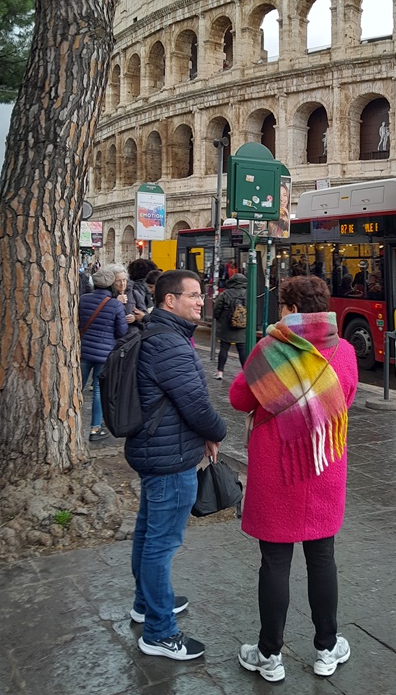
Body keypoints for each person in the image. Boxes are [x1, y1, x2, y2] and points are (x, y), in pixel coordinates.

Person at [230, 275, 359, 682]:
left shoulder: (269, 349)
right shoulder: (344, 350)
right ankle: (326, 648)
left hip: (278, 469)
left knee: (274, 562)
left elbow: (238, 399)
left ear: (291, 309)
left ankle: (269, 654)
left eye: (282, 306)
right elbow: (346, 398)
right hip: (323, 464)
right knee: (322, 558)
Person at [126, 269, 227, 660]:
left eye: (201, 294)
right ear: (170, 300)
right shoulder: (170, 343)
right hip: (169, 457)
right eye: (194, 295)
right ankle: (160, 632)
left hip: (157, 449)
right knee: (161, 544)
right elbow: (196, 404)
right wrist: (217, 432)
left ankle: (147, 603)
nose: (201, 301)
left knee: (148, 533)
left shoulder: (158, 333)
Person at [78, 265, 128, 441]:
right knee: (98, 391)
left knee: (77, 387)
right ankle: (95, 428)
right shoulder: (115, 305)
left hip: (83, 350)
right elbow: (122, 331)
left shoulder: (83, 299)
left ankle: (70, 423)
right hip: (104, 353)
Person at [212, 271, 248, 379]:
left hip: (226, 325)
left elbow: (217, 308)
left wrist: (218, 317)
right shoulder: (248, 293)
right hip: (242, 326)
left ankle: (220, 372)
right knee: (242, 350)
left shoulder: (226, 293)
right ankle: (246, 373)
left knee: (224, 348)